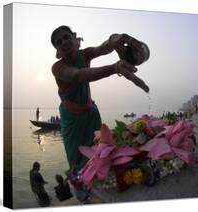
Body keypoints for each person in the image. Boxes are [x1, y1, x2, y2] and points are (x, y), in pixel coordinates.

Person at [51, 26, 149, 202]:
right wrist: (115, 68)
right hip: (72, 119)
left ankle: (100, 185)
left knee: (100, 150)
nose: (64, 42)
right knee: (76, 161)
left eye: (66, 37)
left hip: (91, 112)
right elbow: (79, 75)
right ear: (58, 50)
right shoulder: (58, 67)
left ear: (74, 37)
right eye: (59, 42)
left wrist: (116, 39)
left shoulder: (85, 54)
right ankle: (83, 197)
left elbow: (103, 47)